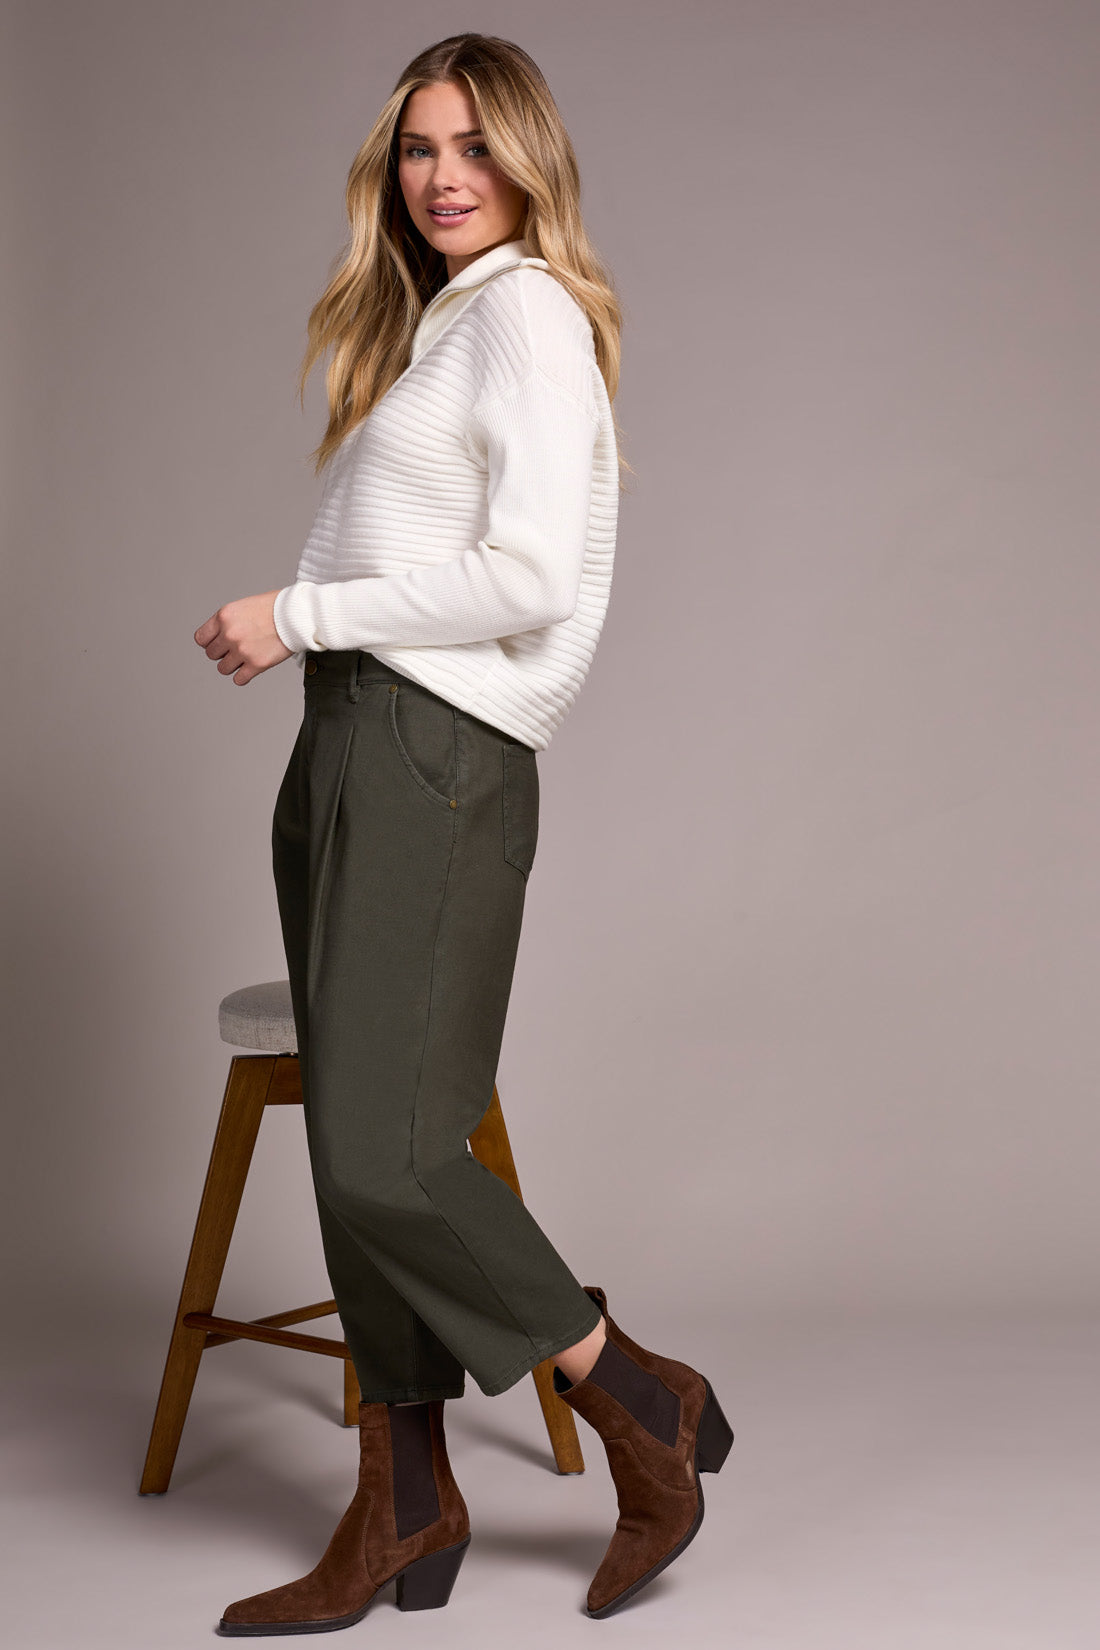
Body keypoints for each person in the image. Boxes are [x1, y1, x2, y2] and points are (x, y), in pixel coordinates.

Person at [193, 32, 732, 1635]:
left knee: (391, 1151)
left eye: (476, 147)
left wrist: (297, 611)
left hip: (430, 751)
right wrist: (319, 654)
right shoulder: (447, 326)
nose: (443, 177)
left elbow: (532, 577)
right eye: (421, 148)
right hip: (354, 741)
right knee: (356, 1153)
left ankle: (646, 1399)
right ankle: (407, 1505)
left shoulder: (529, 318)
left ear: (530, 162)